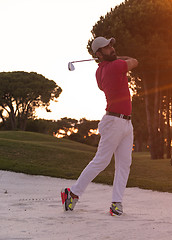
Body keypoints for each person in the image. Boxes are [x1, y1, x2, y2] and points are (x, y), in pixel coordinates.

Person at [61, 36, 138, 216]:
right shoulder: (115, 66)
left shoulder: (100, 71)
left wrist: (111, 58)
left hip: (125, 122)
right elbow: (135, 61)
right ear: (98, 54)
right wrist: (118, 58)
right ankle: (72, 194)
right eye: (107, 47)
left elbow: (104, 81)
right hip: (114, 122)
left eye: (111, 45)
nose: (111, 48)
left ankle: (116, 203)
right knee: (101, 161)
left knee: (124, 164)